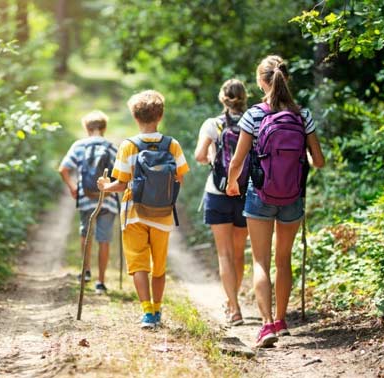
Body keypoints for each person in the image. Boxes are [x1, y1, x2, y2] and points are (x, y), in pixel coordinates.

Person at [226, 55, 325, 347]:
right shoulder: (302, 114)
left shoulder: (254, 114)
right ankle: (282, 322)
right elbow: (318, 161)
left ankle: (266, 325)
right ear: (286, 78)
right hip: (292, 196)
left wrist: (232, 184)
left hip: (260, 194)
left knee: (260, 260)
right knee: (284, 260)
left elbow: (237, 160)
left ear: (260, 81)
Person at [97, 90, 189, 328]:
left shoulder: (128, 146)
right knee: (158, 266)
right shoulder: (173, 145)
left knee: (139, 264)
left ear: (135, 117)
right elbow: (180, 179)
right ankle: (158, 310)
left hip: (134, 213)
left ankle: (147, 312)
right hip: (163, 215)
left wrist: (105, 187)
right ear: (160, 116)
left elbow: (121, 184)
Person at [193, 79, 249, 327]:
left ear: (222, 98)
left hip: (217, 192)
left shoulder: (212, 124)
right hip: (246, 192)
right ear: (245, 97)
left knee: (224, 254)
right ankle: (232, 300)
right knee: (239, 254)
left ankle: (234, 307)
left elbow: (199, 155)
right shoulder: (253, 121)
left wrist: (211, 160)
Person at [59, 110, 118, 295]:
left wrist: (72, 187)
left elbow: (63, 169)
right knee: (105, 239)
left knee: (86, 232)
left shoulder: (79, 146)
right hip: (107, 199)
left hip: (85, 198)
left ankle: (85, 272)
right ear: (104, 128)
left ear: (87, 128)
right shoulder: (111, 147)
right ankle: (100, 282)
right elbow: (121, 174)